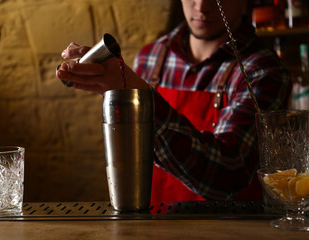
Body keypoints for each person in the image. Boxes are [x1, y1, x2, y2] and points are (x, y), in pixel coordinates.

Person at [56, 0, 292, 202]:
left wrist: (142, 99)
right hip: (155, 223)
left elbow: (228, 173)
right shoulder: (152, 56)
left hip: (228, 228)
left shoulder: (262, 71)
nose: (202, 6)